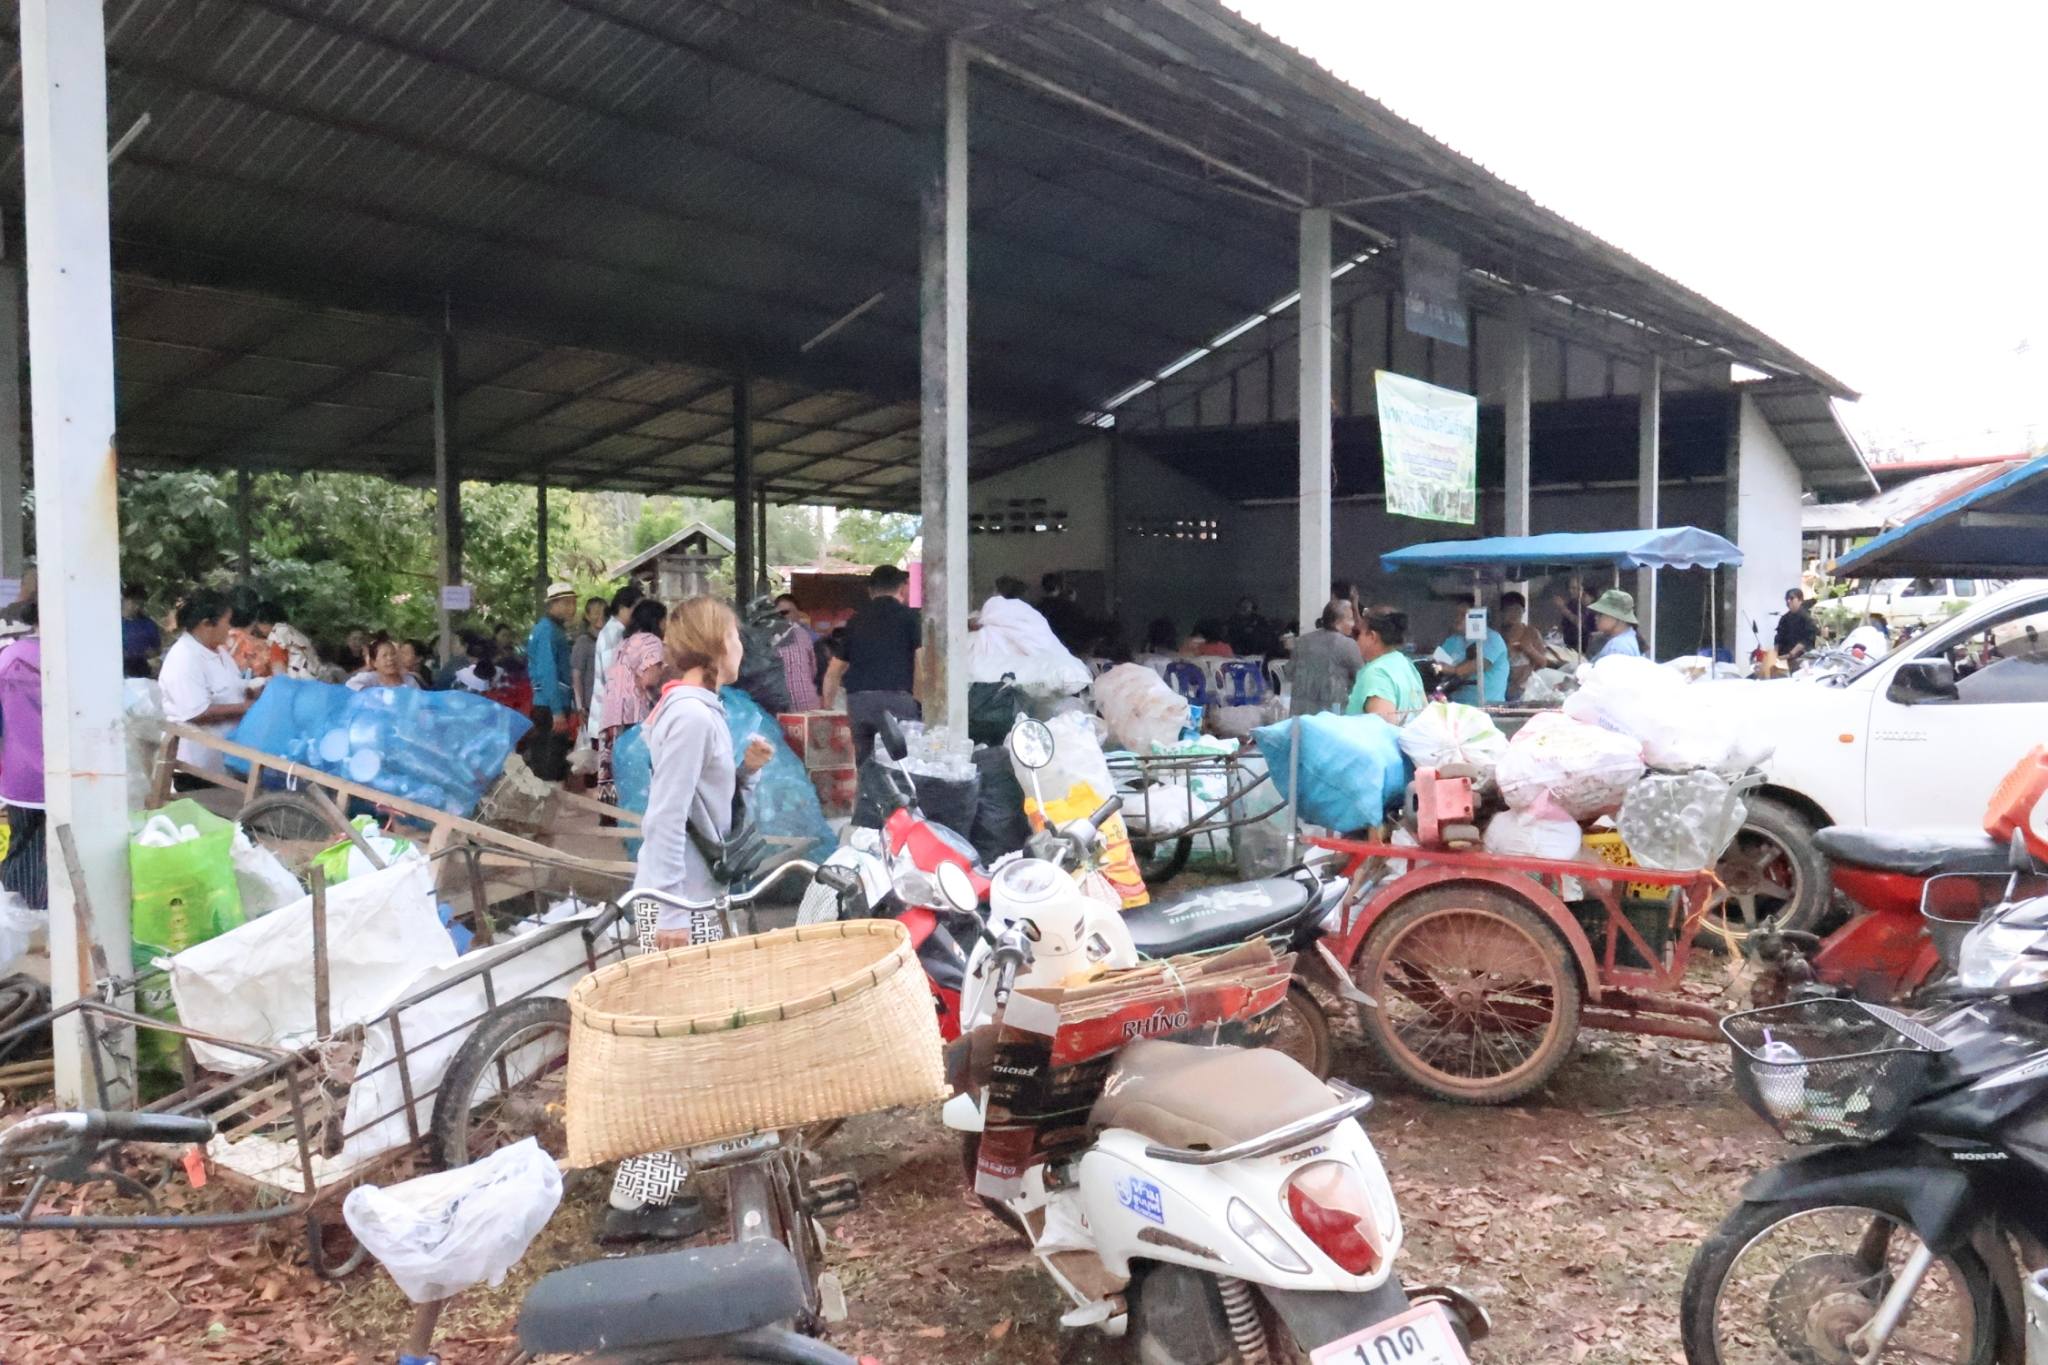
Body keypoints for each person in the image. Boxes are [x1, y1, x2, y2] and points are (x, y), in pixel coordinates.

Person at [606, 595, 775, 1239]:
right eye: (734, 635)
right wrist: (671, 911)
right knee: (677, 1054)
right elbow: (666, 817)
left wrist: (745, 774)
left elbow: (708, 811)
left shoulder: (699, 710)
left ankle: (661, 1182)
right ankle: (636, 1203)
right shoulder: (689, 715)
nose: (741, 646)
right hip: (682, 907)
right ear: (712, 645)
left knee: (693, 1047)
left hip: (695, 902)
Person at [822, 565, 922, 762]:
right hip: (898, 701)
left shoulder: (855, 621)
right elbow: (922, 662)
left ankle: (864, 783)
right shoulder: (910, 618)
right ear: (902, 588)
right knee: (901, 763)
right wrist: (920, 701)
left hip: (860, 703)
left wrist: (827, 708)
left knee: (863, 763)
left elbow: (834, 670)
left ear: (870, 591)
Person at [159, 589, 257, 776]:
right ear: (206, 624)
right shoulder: (184, 657)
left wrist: (251, 692)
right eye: (227, 622)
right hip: (195, 766)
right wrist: (246, 708)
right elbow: (196, 713)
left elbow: (231, 687)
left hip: (224, 760)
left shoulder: (219, 652)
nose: (230, 628)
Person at [0, 605, 47, 909]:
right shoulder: (68, 658)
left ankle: (17, 908)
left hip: (18, 776)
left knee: (23, 843)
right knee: (48, 850)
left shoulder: (7, 657)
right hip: (62, 772)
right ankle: (37, 913)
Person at [526, 583, 578, 780]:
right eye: (567, 603)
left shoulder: (552, 629)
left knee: (552, 759)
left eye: (573, 603)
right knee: (550, 764)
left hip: (550, 702)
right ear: (553, 604)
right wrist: (557, 711)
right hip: (550, 705)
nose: (572, 608)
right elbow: (547, 671)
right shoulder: (548, 631)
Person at [587, 584, 644, 749]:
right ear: (622, 608)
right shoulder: (613, 634)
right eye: (636, 609)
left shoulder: (619, 631)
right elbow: (612, 675)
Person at [602, 598, 671, 735]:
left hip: (614, 712)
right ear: (657, 621)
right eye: (665, 620)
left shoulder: (625, 642)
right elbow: (649, 680)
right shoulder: (651, 641)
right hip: (636, 711)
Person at [1347, 608, 1426, 722]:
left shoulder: (1377, 675)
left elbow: (1384, 726)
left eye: (1357, 634)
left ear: (1372, 637)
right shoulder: (1406, 664)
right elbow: (1424, 712)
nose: (1356, 640)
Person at [1291, 599, 1363, 717]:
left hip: (1299, 714)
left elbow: (1289, 673)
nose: (1353, 624)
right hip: (1332, 715)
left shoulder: (1301, 641)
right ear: (1338, 621)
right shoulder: (1347, 644)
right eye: (1350, 619)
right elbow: (1360, 678)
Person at [1437, 612, 1510, 707]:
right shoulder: (1452, 640)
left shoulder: (1492, 638)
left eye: (1463, 615)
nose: (1457, 618)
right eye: (1456, 614)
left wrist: (1453, 670)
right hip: (1455, 705)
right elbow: (1437, 664)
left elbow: (1480, 665)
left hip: (1487, 707)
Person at [771, 594, 821, 712]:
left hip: (799, 703)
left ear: (798, 613)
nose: (784, 616)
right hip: (792, 703)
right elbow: (813, 670)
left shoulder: (806, 635)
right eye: (780, 613)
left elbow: (815, 669)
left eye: (786, 612)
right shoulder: (804, 634)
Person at [1499, 591, 1550, 699]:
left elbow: (1543, 663)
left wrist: (1529, 649)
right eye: (1509, 610)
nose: (1513, 614)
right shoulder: (1498, 634)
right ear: (1502, 612)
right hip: (1501, 686)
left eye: (1517, 610)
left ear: (1523, 611)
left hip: (1523, 688)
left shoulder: (1531, 632)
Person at [571, 596, 606, 719]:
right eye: (596, 613)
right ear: (587, 616)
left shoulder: (611, 640)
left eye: (604, 612)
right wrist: (580, 707)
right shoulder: (583, 642)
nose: (601, 616)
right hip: (590, 705)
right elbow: (576, 676)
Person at [348, 634, 424, 691]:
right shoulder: (369, 678)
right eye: (384, 656)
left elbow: (419, 701)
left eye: (393, 654)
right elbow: (350, 685)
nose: (390, 659)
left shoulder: (409, 680)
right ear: (374, 662)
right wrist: (371, 693)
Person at [1588, 588, 1643, 659]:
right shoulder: (1630, 637)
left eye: (1600, 614)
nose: (1596, 617)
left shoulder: (1617, 648)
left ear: (1616, 617)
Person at [120, 584, 161, 679]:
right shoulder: (113, 624)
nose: (137, 607)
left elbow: (157, 650)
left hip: (144, 673)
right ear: (124, 599)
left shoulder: (149, 625)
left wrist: (153, 654)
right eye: (134, 602)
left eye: (140, 604)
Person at [1774, 588, 1818, 664]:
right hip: (1783, 657)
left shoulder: (1807, 618)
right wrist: (1774, 655)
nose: (1788, 601)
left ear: (1800, 600)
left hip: (1802, 658)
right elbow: (1778, 638)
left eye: (1791, 598)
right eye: (1787, 599)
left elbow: (1807, 640)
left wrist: (1790, 654)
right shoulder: (1784, 618)